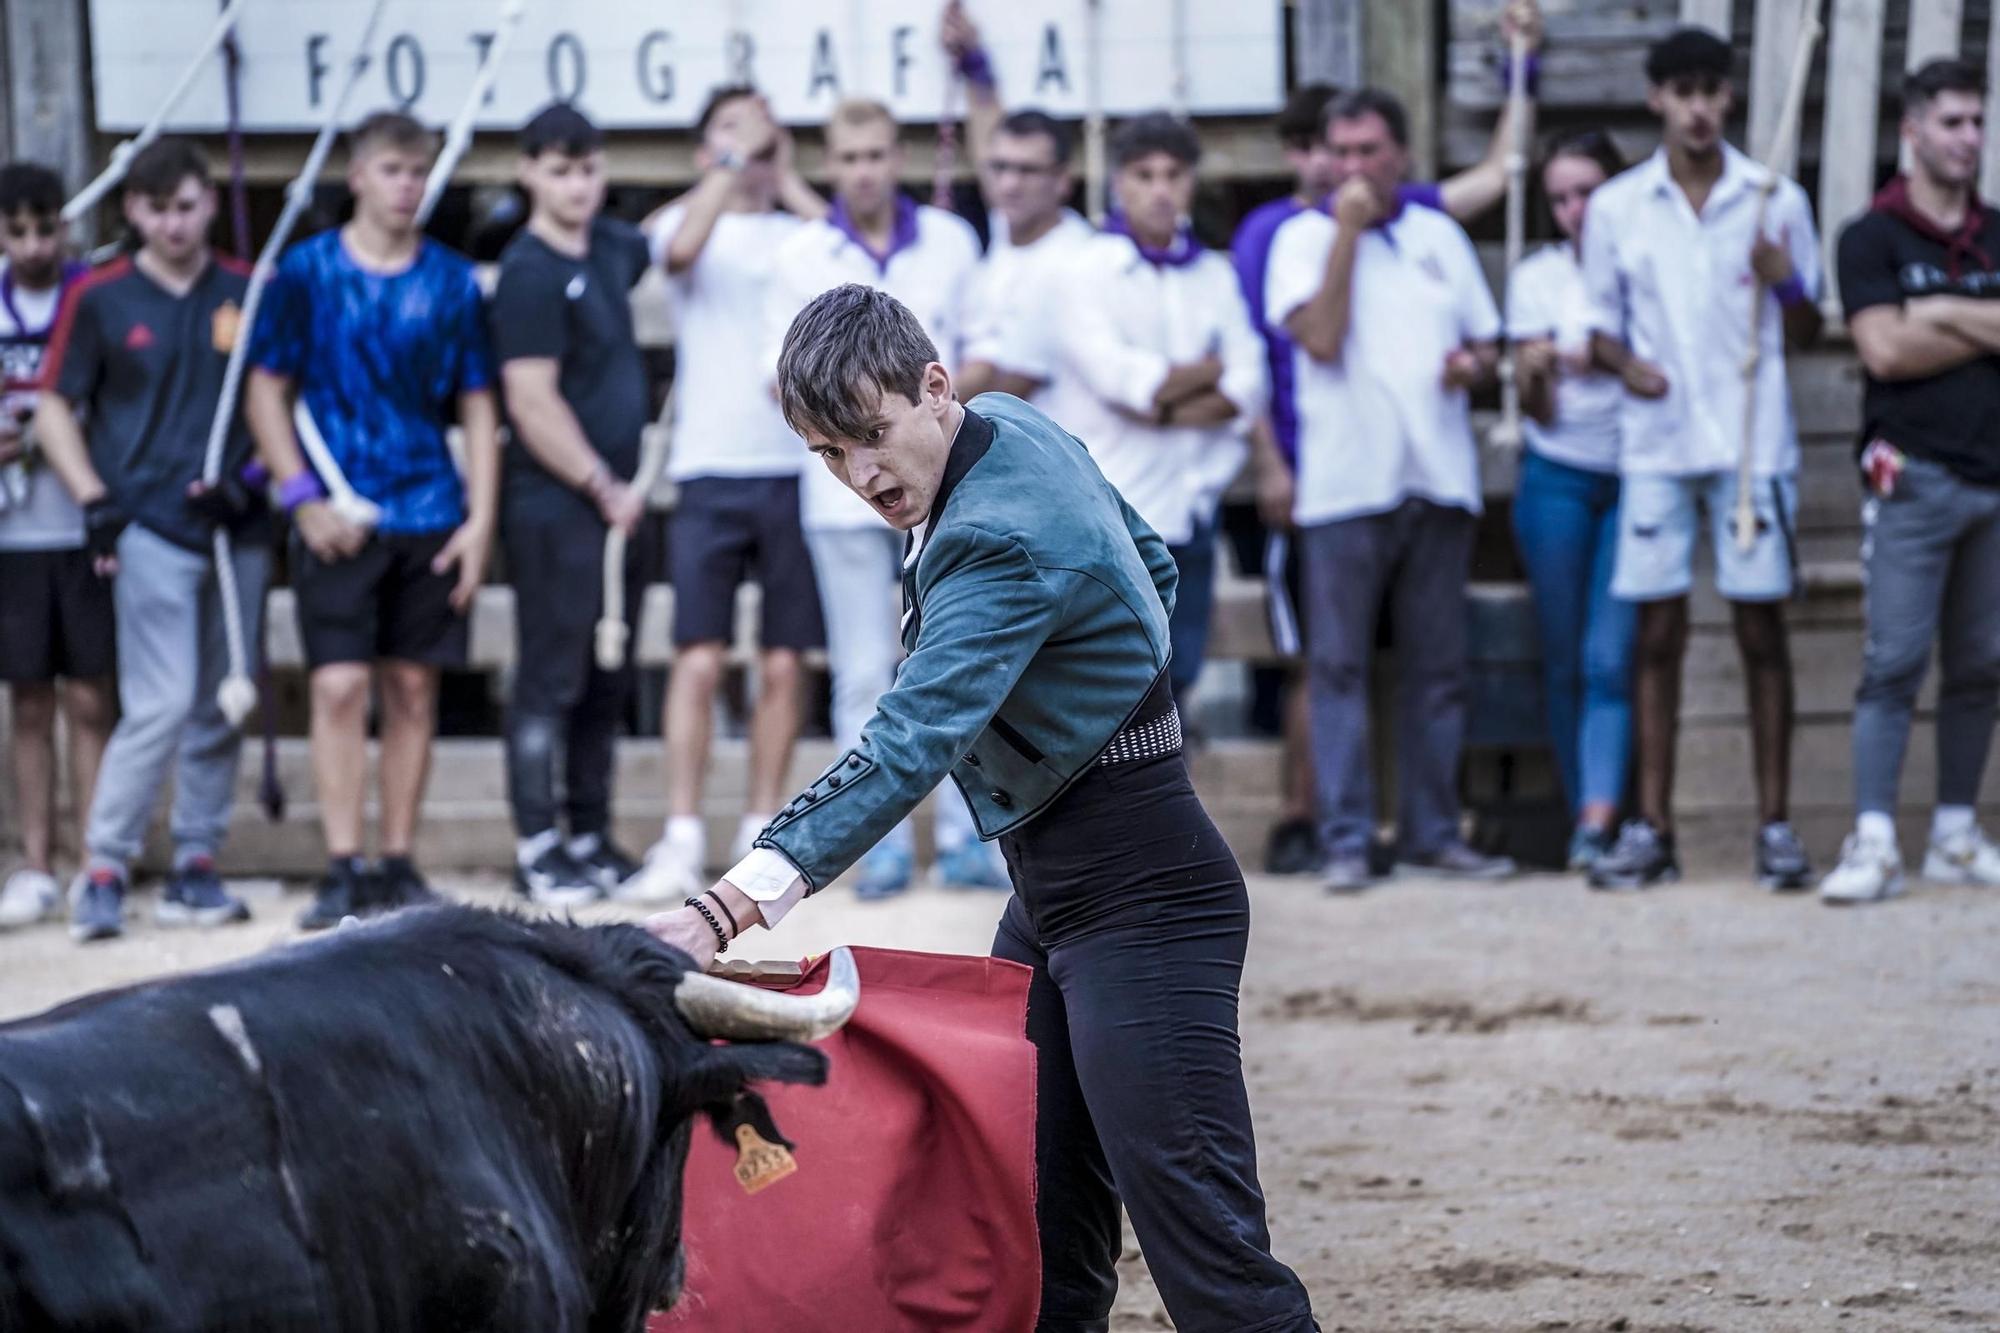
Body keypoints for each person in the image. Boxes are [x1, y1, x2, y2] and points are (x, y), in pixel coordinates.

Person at [645, 283, 1318, 1333]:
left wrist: (721, 911)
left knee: (1209, 1258)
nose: (861, 476)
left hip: (1141, 906)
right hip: (1065, 895)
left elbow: (906, 742)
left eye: (869, 437)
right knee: (1039, 1237)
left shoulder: (995, 535)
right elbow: (1149, 567)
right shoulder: (1015, 428)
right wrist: (1097, 708)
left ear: (932, 389)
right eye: (828, 455)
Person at [1232, 0, 1543, 876]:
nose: (1357, 167)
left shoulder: (1440, 233)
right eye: (1344, 153)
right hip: (1341, 488)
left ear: (1401, 155)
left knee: (1439, 671)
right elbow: (1320, 338)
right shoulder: (1300, 238)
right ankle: (1345, 841)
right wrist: (1347, 236)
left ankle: (1435, 834)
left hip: (1437, 481)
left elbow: (1486, 348)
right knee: (1336, 673)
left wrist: (1471, 365)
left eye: (1373, 151)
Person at [1580, 28, 1822, 891]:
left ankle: (1776, 827)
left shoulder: (1774, 200)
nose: (1697, 107)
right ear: (1656, 100)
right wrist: (1624, 365)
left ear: (1729, 98)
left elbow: (1809, 328)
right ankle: (1656, 827)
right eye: (1680, 91)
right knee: (1658, 635)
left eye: (1710, 90)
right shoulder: (1617, 207)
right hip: (1658, 444)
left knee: (1762, 629)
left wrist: (1784, 277)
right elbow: (1597, 326)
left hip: (1753, 444)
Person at [246, 111, 500, 928]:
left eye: (419, 171)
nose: (407, 186)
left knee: (413, 688)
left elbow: (476, 403)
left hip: (429, 504)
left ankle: (396, 863)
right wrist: (301, 498)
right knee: (339, 684)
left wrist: (479, 522)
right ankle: (343, 864)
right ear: (356, 175)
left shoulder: (454, 281)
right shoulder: (305, 272)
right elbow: (265, 392)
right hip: (337, 512)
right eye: (392, 169)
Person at [764, 97, 1002, 898]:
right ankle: (885, 845)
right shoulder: (799, 252)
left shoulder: (951, 240)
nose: (863, 169)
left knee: (953, 658)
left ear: (896, 156)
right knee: (864, 670)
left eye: (875, 153)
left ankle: (976, 834)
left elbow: (974, 355)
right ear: (829, 164)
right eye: (848, 156)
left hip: (942, 484)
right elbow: (783, 383)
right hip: (839, 496)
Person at [35, 138, 267, 942]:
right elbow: (55, 406)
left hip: (233, 527)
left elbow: (279, 399)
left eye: (188, 205)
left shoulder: (246, 290)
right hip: (149, 525)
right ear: (134, 211)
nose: (175, 222)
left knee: (222, 701)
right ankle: (104, 866)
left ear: (209, 203)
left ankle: (196, 864)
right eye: (159, 208)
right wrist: (94, 499)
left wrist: (256, 483)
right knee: (161, 700)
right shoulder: (100, 298)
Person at [629, 85, 827, 905]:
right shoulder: (680, 219)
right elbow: (674, 256)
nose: (746, 142)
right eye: (726, 129)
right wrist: (725, 164)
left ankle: (758, 829)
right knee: (698, 658)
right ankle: (681, 833)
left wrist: (780, 173)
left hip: (794, 466)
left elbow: (851, 252)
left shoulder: (799, 228)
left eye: (758, 127)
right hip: (708, 465)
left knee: (784, 660)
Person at [1822, 58, 2000, 903]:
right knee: (1893, 660)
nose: (1969, 138)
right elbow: (1884, 350)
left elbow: (1912, 331)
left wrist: (1936, 312)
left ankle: (1956, 834)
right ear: (1913, 131)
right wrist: (1986, 323)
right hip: (1913, 480)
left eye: (1977, 122)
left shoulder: (1997, 232)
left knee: (1982, 665)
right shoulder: (1872, 237)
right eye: (1954, 122)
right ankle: (1875, 839)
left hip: (1995, 481)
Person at [1036, 112, 1267, 705]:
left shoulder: (1215, 273)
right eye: (1144, 174)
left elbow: (1249, 384)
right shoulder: (1085, 272)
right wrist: (1207, 374)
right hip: (1118, 507)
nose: (1160, 189)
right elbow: (1125, 383)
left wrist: (1170, 399)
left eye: (1173, 173)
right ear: (1118, 182)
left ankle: (1166, 795)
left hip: (1193, 503)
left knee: (1181, 669)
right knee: (1115, 678)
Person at [489, 103, 653, 906]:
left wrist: (731, 171)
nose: (577, 184)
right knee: (549, 676)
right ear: (528, 173)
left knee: (603, 676)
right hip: (556, 504)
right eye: (558, 169)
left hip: (610, 509)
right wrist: (601, 483)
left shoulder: (615, 246)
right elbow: (530, 401)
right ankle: (539, 843)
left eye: (587, 167)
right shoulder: (527, 272)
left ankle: (590, 833)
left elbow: (678, 237)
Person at [1508, 130, 1635, 873]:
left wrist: (1607, 354)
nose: (1574, 210)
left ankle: (1603, 819)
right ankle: (1585, 818)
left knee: (1610, 657)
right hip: (1556, 472)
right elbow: (1539, 412)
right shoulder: (1536, 278)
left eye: (1586, 191)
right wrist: (1534, 370)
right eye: (1559, 197)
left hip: (1638, 471)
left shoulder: (1643, 265)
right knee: (1562, 658)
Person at [0, 163, 113, 928]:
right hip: (14, 531)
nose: (36, 244)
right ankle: (36, 861)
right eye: (18, 231)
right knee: (30, 699)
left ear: (65, 226)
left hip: (85, 522)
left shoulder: (94, 297)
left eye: (47, 227)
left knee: (90, 696)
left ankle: (94, 858)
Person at [939, 2, 1096, 402]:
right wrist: (976, 66)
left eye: (1027, 171)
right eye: (1001, 168)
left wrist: (904, 406)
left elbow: (1006, 381)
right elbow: (987, 133)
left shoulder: (1075, 260)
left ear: (1063, 181)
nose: (1008, 183)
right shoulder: (1009, 228)